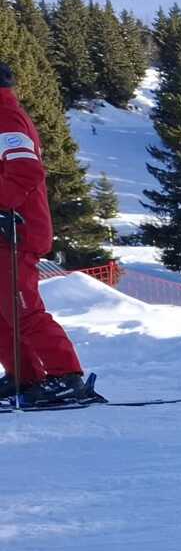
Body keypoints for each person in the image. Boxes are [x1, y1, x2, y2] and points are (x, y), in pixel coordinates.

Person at [0, 62, 87, 407]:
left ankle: (66, 376)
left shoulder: (6, 117)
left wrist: (2, 205)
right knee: (4, 312)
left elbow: (26, 170)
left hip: (16, 230)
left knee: (22, 308)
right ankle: (25, 377)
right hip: (6, 230)